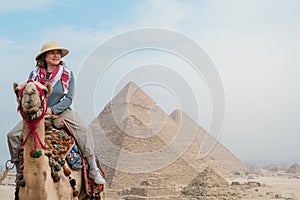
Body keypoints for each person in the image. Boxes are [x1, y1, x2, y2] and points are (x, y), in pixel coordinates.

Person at [7, 41, 105, 184]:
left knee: (83, 130)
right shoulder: (34, 75)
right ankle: (18, 170)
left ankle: (93, 168)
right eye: (52, 53)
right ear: (44, 57)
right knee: (12, 135)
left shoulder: (67, 74)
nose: (56, 55)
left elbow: (69, 98)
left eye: (58, 53)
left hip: (61, 111)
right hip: (38, 113)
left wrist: (52, 110)